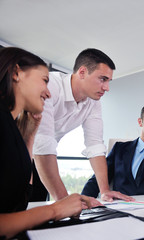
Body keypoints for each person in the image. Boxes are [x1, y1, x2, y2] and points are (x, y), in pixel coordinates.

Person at [0, 47, 93, 239]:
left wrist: (30, 135)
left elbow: (19, 197)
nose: (48, 93)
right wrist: (56, 210)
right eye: (44, 80)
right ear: (17, 73)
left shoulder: (10, 127)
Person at [33, 48, 133, 203]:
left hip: (41, 158)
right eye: (102, 79)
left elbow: (95, 145)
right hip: (14, 151)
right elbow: (42, 142)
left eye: (108, 81)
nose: (107, 88)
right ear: (82, 72)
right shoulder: (49, 86)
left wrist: (105, 190)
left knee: (38, 207)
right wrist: (66, 202)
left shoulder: (93, 102)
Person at [81, 101, 144, 196]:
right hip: (121, 207)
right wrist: (83, 200)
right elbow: (99, 178)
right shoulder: (119, 149)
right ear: (140, 122)